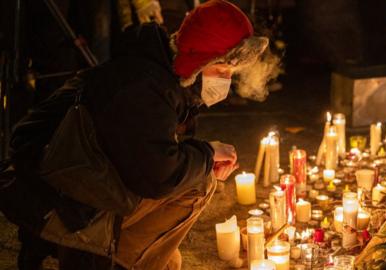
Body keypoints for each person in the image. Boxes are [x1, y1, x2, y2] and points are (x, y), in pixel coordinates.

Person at [4, 0, 269, 269]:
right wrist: (208, 153)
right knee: (198, 185)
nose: (224, 79)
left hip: (71, 172)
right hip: (53, 194)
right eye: (221, 69)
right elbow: (157, 176)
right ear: (201, 59)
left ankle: (124, 250)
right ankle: (103, 251)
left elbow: (147, 150)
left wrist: (203, 158)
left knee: (192, 188)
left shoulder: (159, 71)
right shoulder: (144, 87)